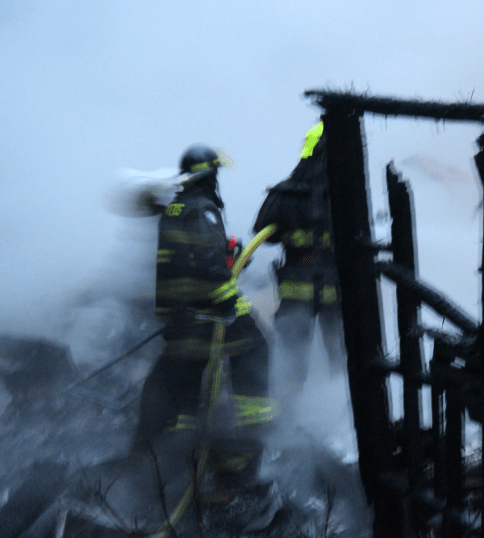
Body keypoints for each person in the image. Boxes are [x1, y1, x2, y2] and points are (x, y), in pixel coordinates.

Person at [132, 144, 274, 487]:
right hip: (210, 311)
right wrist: (227, 306)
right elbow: (209, 266)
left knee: (182, 380)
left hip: (182, 317)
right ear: (208, 176)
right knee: (255, 351)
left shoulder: (176, 208)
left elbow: (188, 261)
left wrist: (228, 256)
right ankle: (248, 451)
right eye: (215, 175)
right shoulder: (203, 210)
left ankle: (175, 454)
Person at [252, 122, 345, 401]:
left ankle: (288, 418)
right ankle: (341, 417)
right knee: (339, 360)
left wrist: (295, 242)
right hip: (333, 292)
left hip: (296, 286)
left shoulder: (285, 192)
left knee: (292, 362)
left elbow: (263, 232)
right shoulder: (344, 195)